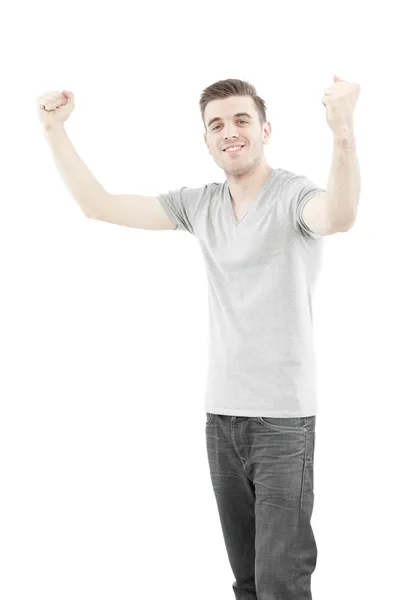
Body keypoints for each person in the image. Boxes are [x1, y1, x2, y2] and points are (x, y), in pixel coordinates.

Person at [37, 78, 359, 600]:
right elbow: (99, 205)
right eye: (217, 125)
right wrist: (54, 130)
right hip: (221, 420)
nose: (229, 132)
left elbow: (339, 217)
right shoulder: (199, 205)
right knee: (249, 582)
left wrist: (341, 130)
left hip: (282, 423)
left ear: (264, 130)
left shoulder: (293, 195)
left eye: (241, 120)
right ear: (206, 141)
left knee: (281, 581)